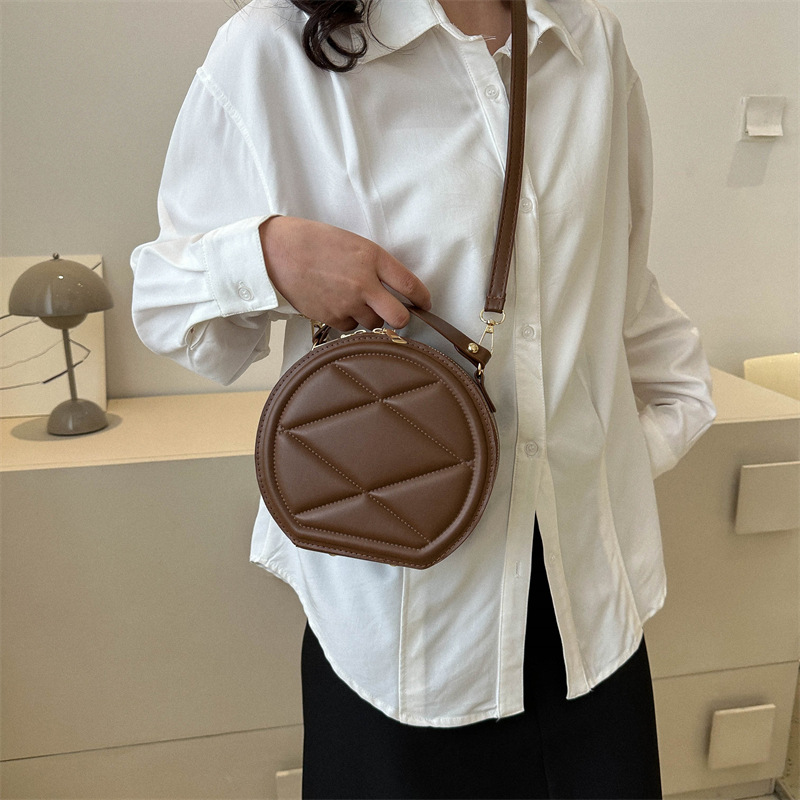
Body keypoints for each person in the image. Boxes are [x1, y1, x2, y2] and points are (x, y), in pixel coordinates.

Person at [130, 0, 717, 797]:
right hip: (401, 628)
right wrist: (272, 257)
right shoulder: (276, 49)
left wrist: (634, 451)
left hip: (590, 605)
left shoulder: (586, 40)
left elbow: (621, 279)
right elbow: (165, 305)